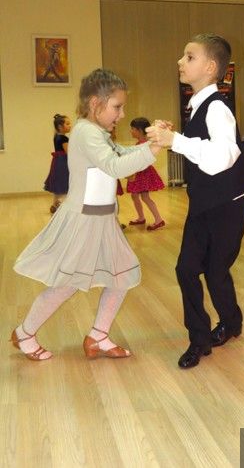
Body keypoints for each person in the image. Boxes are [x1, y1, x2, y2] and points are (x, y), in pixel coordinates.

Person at [11, 68, 161, 361]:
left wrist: (152, 144)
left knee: (121, 275)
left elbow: (120, 154)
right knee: (67, 284)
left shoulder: (97, 132)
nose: (122, 114)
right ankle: (24, 333)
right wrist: (152, 150)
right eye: (117, 107)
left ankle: (98, 336)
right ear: (95, 103)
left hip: (102, 219)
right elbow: (114, 167)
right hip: (84, 221)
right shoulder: (85, 132)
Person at [146, 33, 244, 369]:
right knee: (187, 269)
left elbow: (222, 156)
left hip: (228, 205)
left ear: (210, 67)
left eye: (189, 56)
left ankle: (230, 323)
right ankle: (200, 338)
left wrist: (176, 140)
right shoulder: (199, 107)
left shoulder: (218, 107)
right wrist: (175, 135)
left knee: (216, 271)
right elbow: (202, 146)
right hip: (206, 202)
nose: (180, 61)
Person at [127, 117, 165, 231]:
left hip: (142, 173)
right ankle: (141, 217)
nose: (131, 131)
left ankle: (158, 219)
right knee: (135, 196)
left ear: (139, 130)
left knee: (145, 197)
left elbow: (141, 160)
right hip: (140, 172)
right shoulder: (141, 143)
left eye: (132, 129)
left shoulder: (143, 144)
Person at [44, 114, 71, 213]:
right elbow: (69, 152)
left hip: (57, 162)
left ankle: (55, 204)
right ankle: (60, 203)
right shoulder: (64, 139)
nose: (70, 125)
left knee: (59, 183)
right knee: (64, 182)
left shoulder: (56, 137)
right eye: (67, 124)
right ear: (60, 126)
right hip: (63, 163)